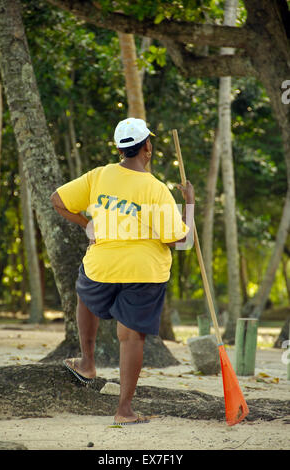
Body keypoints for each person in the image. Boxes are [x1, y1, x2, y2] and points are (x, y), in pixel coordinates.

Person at [50, 118, 195, 425]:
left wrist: (87, 225)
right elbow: (180, 241)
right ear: (148, 148)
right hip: (144, 271)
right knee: (130, 337)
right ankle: (124, 410)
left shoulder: (99, 175)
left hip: (102, 264)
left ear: (119, 148)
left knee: (85, 292)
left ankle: (88, 362)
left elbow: (58, 201)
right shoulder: (157, 189)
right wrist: (190, 205)